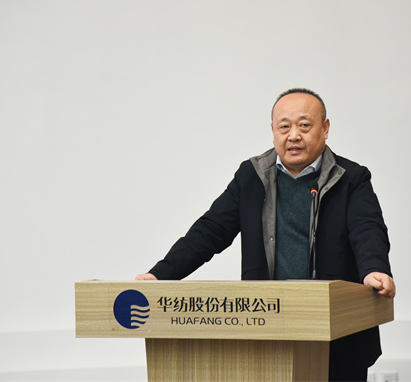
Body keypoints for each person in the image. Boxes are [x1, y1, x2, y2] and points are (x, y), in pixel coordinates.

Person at [136, 88, 395, 381]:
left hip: (336, 336)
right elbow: (210, 231)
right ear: (273, 130)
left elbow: (367, 230)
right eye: (284, 127)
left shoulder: (351, 178)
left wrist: (374, 269)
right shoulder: (252, 176)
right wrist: (160, 275)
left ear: (325, 128)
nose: (293, 135)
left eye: (304, 125)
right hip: (268, 333)